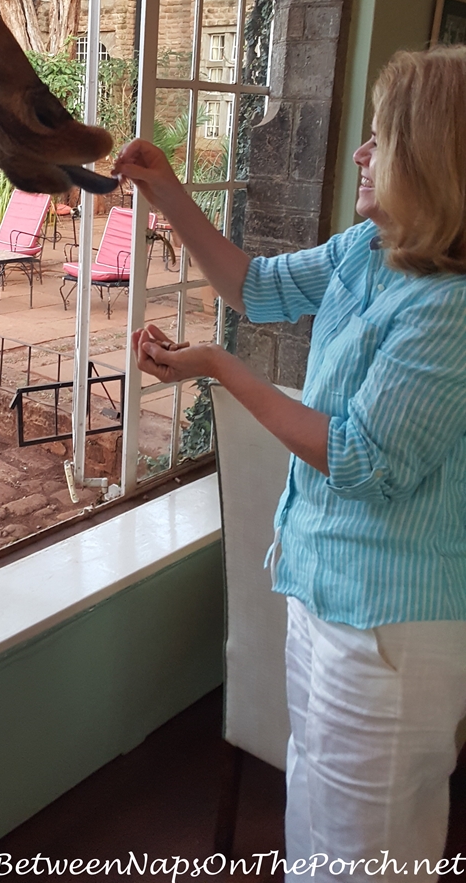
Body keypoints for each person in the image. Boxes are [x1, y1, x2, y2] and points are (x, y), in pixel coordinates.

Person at [112, 46, 466, 877]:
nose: (360, 152)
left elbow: (358, 458)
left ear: (434, 160)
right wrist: (167, 192)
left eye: (381, 138)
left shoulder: (449, 309)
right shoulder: (367, 252)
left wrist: (220, 368)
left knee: (363, 858)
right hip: (322, 589)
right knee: (312, 823)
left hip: (387, 629)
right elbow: (256, 287)